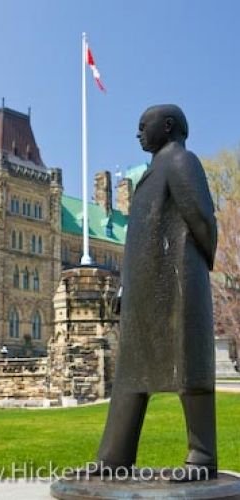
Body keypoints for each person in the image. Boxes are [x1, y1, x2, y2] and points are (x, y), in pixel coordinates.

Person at [96, 104, 218, 481]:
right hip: (145, 290)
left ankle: (201, 455)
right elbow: (140, 243)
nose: (137, 133)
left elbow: (201, 219)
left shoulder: (182, 161)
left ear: (167, 126)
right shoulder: (153, 172)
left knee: (189, 370)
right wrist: (126, 286)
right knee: (131, 374)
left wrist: (194, 270)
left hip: (177, 284)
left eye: (142, 125)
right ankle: (114, 457)